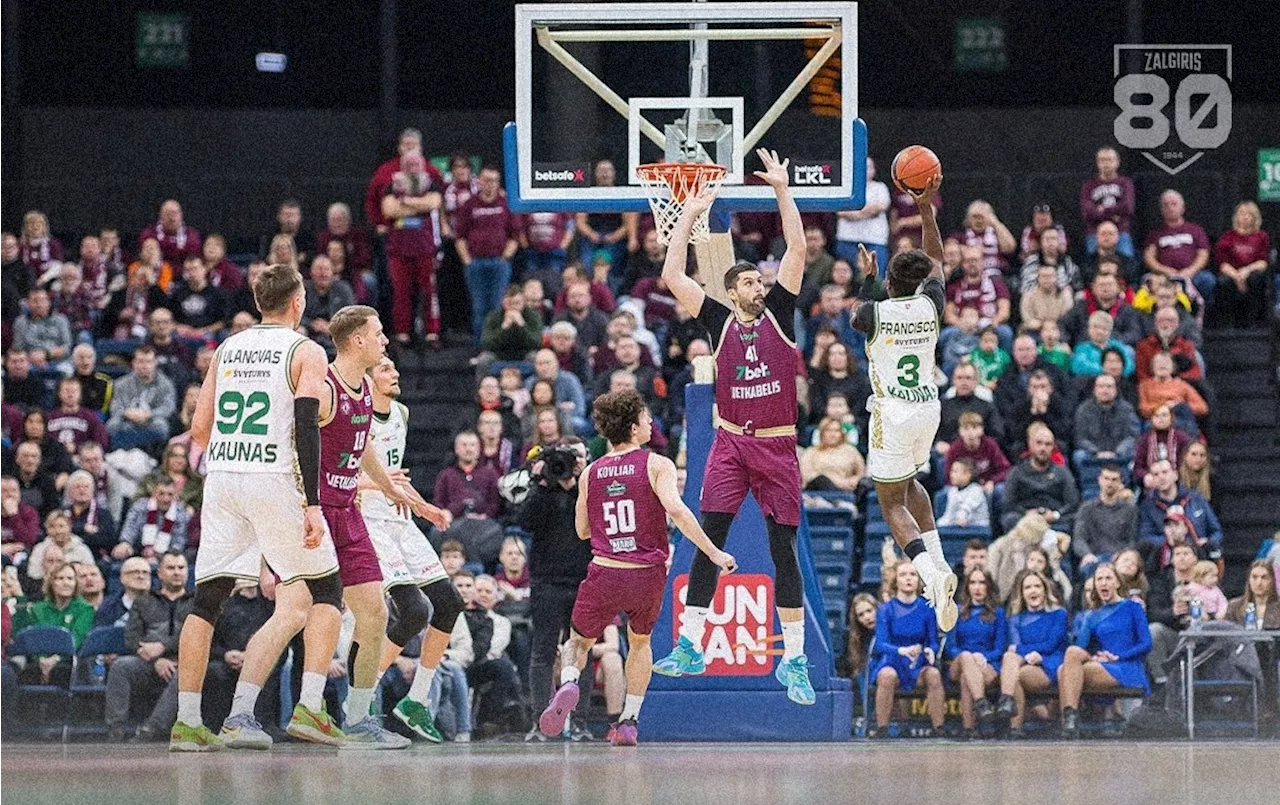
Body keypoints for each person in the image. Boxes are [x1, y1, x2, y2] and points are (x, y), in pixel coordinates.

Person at [649, 150, 818, 703]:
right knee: (707, 539)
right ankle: (691, 643)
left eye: (760, 279)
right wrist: (691, 216)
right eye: (748, 280)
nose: (759, 284)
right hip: (729, 443)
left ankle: (792, 659)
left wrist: (782, 190)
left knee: (782, 550)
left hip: (776, 449)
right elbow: (672, 274)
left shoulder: (783, 313)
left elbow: (796, 249)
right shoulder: (718, 318)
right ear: (733, 289)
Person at [170, 263, 346, 752]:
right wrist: (312, 504)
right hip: (274, 478)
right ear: (298, 302)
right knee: (327, 590)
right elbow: (306, 425)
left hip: (223, 477)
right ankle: (311, 707)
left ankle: (189, 721)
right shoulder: (305, 349)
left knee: (208, 598)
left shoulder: (228, 347)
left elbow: (199, 429)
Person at [537, 390, 736, 745]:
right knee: (640, 643)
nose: (650, 424)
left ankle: (568, 682)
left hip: (605, 569)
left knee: (577, 642)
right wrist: (713, 552)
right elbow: (676, 510)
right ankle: (628, 721)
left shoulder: (591, 472)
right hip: (646, 574)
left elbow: (582, 530)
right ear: (632, 427)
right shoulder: (657, 464)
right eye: (646, 419)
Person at [300, 305, 423, 748]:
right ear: (357, 340)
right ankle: (293, 708)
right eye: (379, 333)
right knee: (303, 612)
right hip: (315, 511)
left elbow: (364, 442)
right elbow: (296, 445)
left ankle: (358, 719)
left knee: (375, 615)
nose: (386, 340)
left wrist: (390, 487)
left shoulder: (366, 390)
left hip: (348, 509)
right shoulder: (324, 385)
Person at [357, 356, 461, 743]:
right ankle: (362, 697)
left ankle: (415, 702)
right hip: (369, 520)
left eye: (394, 367)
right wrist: (383, 486)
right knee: (414, 611)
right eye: (384, 368)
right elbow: (338, 480)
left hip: (400, 520)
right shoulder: (356, 416)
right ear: (367, 379)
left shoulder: (401, 412)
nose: (395, 372)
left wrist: (424, 506)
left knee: (448, 603)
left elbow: (396, 475)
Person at [104, 550, 193, 742]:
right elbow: (131, 638)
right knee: (121, 666)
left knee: (186, 673)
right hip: (149, 663)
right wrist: (157, 659)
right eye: (170, 568)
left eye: (181, 568)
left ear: (187, 572)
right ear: (159, 573)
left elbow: (196, 637)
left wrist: (163, 647)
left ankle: (150, 730)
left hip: (187, 663)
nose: (176, 572)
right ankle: (115, 732)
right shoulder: (143, 601)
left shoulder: (197, 603)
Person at [1056, 563, 1152, 737]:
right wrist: (1096, 654)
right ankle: (1070, 719)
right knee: (1069, 657)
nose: (1104, 582)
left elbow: (1146, 643)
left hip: (1126, 666)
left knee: (1064, 671)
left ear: (1117, 583)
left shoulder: (1132, 607)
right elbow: (1081, 648)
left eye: (1108, 578)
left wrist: (1118, 656)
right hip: (1101, 664)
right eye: (1099, 579)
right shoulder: (1092, 615)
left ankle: (1069, 722)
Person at [867, 560, 945, 738]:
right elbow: (880, 644)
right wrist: (901, 651)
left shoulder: (927, 609)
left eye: (913, 574)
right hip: (893, 661)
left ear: (919, 580)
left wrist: (930, 650)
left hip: (917, 663)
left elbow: (932, 641)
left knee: (933, 674)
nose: (908, 578)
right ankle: (882, 728)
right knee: (887, 676)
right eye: (903, 575)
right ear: (896, 580)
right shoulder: (885, 609)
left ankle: (938, 728)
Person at [380, 150, 444, 349]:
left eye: (416, 164)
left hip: (425, 250)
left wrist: (406, 203)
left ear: (422, 165)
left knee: (430, 293)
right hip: (399, 251)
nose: (412, 168)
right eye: (408, 164)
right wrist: (419, 207)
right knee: (401, 294)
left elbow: (433, 203)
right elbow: (389, 210)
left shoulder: (430, 183)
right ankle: (402, 333)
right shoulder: (392, 185)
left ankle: (432, 333)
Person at [994, 569, 1068, 734]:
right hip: (1024, 664)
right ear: (1022, 593)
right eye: (1027, 587)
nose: (1033, 590)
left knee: (1012, 668)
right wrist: (1025, 654)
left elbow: (1050, 645)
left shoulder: (1059, 614)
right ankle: (1011, 714)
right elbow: (1013, 648)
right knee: (1011, 662)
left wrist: (1029, 653)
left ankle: (1009, 710)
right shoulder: (1014, 619)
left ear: (1044, 590)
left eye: (1037, 586)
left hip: (1050, 664)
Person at [946, 567, 1006, 735]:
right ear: (967, 587)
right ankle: (981, 703)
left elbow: (1000, 648)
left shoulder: (998, 613)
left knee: (968, 677)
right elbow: (951, 648)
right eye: (973, 583)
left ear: (988, 586)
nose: (977, 587)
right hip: (958, 662)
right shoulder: (955, 611)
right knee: (965, 658)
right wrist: (971, 658)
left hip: (988, 663)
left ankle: (969, 728)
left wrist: (982, 657)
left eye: (982, 582)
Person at [12, 561, 94, 684]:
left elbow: (77, 637)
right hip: (38, 660)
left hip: (69, 661)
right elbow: (27, 637)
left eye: (70, 578)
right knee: (28, 672)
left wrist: (56, 659)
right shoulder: (38, 609)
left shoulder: (85, 609)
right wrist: (41, 659)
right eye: (60, 578)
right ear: (51, 582)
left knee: (61, 671)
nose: (66, 583)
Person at [1000, 423, 1079, 533]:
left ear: (1053, 447)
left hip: (1055, 517)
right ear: (1030, 444)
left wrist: (1055, 515)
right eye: (1039, 443)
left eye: (1048, 444)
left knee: (1077, 519)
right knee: (1010, 519)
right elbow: (1008, 502)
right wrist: (1026, 514)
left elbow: (1072, 502)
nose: (1043, 448)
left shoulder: (1062, 472)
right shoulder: (1016, 472)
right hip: (1025, 518)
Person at [1143, 190, 1212, 305]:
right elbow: (1149, 257)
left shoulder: (1195, 230)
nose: (1170, 208)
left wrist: (1191, 270)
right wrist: (1164, 270)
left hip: (1192, 274)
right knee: (1147, 282)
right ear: (1161, 210)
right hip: (1164, 276)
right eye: (1166, 205)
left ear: (1182, 208)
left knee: (1208, 280)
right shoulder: (1155, 233)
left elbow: (1203, 254)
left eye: (1174, 204)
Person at [1211, 201, 1271, 327]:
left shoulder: (1261, 236)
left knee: (1257, 278)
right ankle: (1227, 324)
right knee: (1224, 281)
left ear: (1254, 217)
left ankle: (1252, 323)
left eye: (1248, 214)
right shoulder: (1227, 237)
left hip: (1252, 272)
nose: (1243, 216)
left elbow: (1263, 262)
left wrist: (1246, 271)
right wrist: (1236, 276)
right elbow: (1222, 263)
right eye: (1241, 213)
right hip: (1232, 273)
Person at [107, 346, 177, 453]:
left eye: (148, 362)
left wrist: (149, 414)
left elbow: (168, 407)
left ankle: (151, 455)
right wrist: (127, 413)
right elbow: (115, 407)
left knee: (161, 427)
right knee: (112, 426)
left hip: (152, 420)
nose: (144, 366)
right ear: (134, 363)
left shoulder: (166, 384)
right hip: (127, 420)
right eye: (140, 361)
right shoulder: (121, 384)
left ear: (155, 363)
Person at [1072, 465, 1137, 574]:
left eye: (1114, 479)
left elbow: (1132, 539)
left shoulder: (1130, 510)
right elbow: (1079, 539)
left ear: (1121, 482)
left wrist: (1123, 555)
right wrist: (1086, 554)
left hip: (1119, 558)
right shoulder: (1086, 509)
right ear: (1099, 480)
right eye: (1106, 478)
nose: (1109, 483)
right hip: (1094, 557)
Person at [1072, 374, 1140, 474]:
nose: (1105, 390)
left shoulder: (1126, 409)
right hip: (1093, 454)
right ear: (1094, 390)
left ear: (1116, 390)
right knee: (1079, 455)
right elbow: (1080, 437)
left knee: (1134, 453)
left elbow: (1132, 436)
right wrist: (1096, 452)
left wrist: (1117, 452)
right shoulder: (1083, 409)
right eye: (1101, 386)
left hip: (1120, 453)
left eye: (1109, 386)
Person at [1080, 146, 1136, 257]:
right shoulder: (1089, 185)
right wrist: (1113, 214)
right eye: (1102, 160)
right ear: (1097, 163)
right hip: (1095, 234)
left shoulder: (1125, 183)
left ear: (1117, 162)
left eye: (1110, 160)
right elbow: (1087, 212)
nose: (1106, 164)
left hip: (1121, 232)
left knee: (1126, 266)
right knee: (1095, 267)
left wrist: (1102, 210)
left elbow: (1128, 207)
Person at [944, 412, 1010, 492]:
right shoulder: (955, 448)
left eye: (974, 427)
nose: (970, 433)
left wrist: (992, 481)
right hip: (963, 486)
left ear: (982, 430)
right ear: (960, 431)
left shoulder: (990, 445)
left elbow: (1005, 469)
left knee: (1000, 489)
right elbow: (948, 475)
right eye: (966, 428)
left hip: (987, 484)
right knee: (945, 492)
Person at [800, 417, 866, 493]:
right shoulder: (811, 451)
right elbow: (807, 476)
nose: (832, 434)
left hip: (848, 487)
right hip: (819, 492)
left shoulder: (850, 450)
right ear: (822, 433)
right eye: (828, 430)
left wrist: (855, 479)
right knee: (821, 480)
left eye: (836, 431)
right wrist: (835, 480)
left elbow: (861, 473)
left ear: (841, 433)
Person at [1132, 405, 1192, 484]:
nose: (1161, 419)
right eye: (1157, 416)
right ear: (1151, 419)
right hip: (1153, 483)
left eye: (1164, 415)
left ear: (1172, 418)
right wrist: (1145, 476)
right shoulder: (1145, 440)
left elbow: (1188, 463)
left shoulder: (1182, 438)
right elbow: (1137, 467)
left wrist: (1177, 474)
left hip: (1178, 481)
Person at [95, 557, 153, 628]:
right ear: (122, 577)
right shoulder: (108, 607)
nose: (141, 576)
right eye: (135, 572)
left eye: (145, 572)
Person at [937, 458, 989, 528]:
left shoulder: (976, 490)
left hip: (978, 528)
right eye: (951, 471)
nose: (951, 475)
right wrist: (937, 525)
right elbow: (949, 515)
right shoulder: (952, 491)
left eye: (955, 471)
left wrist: (961, 517)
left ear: (967, 475)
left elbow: (966, 509)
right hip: (959, 527)